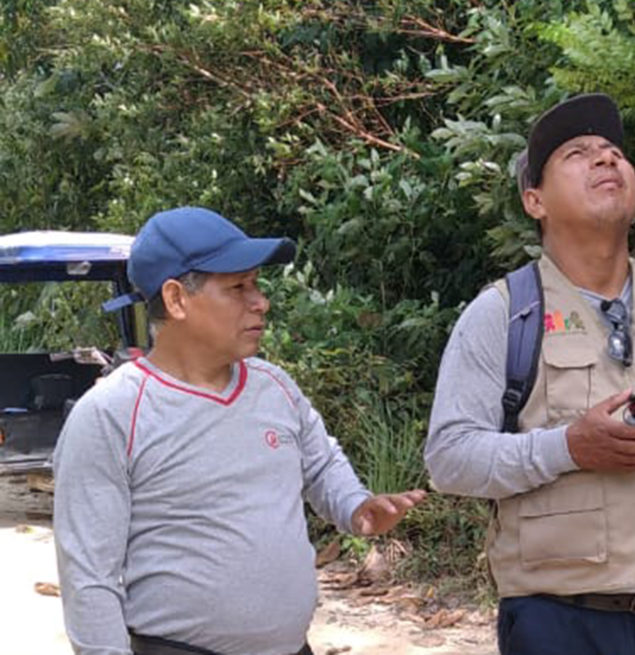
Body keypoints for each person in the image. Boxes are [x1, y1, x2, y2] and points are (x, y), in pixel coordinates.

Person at [425, 93, 635, 655]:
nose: (606, 159)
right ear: (534, 200)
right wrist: (568, 449)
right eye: (577, 154)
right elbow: (449, 458)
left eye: (613, 152)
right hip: (558, 620)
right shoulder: (506, 312)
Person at [53, 207, 426, 655]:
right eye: (238, 287)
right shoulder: (112, 414)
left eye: (256, 284)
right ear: (176, 299)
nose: (260, 302)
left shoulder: (274, 387)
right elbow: (89, 577)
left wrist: (355, 505)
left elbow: (321, 463)